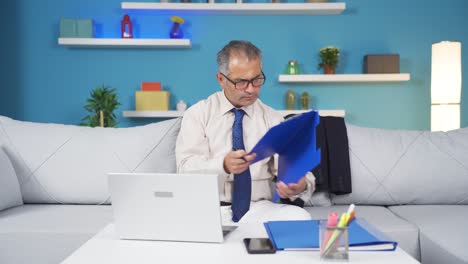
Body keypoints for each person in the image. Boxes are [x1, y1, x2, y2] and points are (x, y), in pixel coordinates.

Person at [175, 40, 315, 224]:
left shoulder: (272, 119)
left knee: (300, 217)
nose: (251, 89)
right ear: (221, 79)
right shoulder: (198, 114)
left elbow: (296, 168)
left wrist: (300, 184)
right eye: (241, 82)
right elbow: (185, 169)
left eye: (256, 80)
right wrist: (223, 165)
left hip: (258, 208)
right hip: (210, 207)